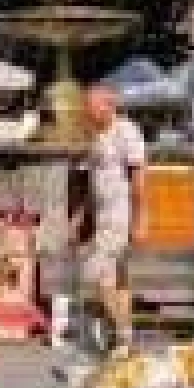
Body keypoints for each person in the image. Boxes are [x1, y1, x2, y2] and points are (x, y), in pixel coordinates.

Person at [77, 85, 146, 355]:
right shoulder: (96, 135)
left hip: (120, 213)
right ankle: (124, 339)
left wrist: (140, 218)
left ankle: (119, 332)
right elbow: (94, 182)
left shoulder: (126, 131)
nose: (87, 111)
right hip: (103, 215)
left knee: (98, 274)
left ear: (109, 105)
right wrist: (82, 216)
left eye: (91, 106)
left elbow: (138, 175)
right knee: (119, 279)